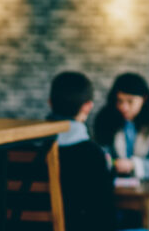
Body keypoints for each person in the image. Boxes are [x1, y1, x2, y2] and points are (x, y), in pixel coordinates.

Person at [46, 71, 115, 231]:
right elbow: (104, 216)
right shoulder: (93, 155)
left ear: (50, 103)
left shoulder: (23, 149)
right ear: (88, 106)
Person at [94, 73, 149, 180]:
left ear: (144, 99)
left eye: (130, 101)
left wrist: (133, 165)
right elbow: (102, 155)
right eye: (119, 101)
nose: (124, 107)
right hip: (115, 188)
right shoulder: (105, 120)